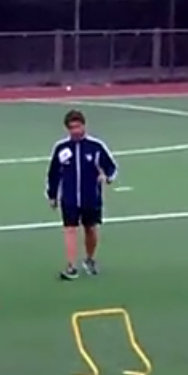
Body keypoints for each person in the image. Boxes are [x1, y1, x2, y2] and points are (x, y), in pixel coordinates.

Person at [46, 109, 117, 280]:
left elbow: (111, 168)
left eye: (78, 126)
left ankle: (90, 259)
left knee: (90, 229)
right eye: (72, 128)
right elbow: (53, 173)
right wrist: (52, 195)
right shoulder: (61, 148)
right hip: (69, 198)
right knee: (69, 229)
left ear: (84, 125)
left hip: (91, 197)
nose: (76, 131)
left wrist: (106, 177)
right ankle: (71, 266)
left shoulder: (96, 147)